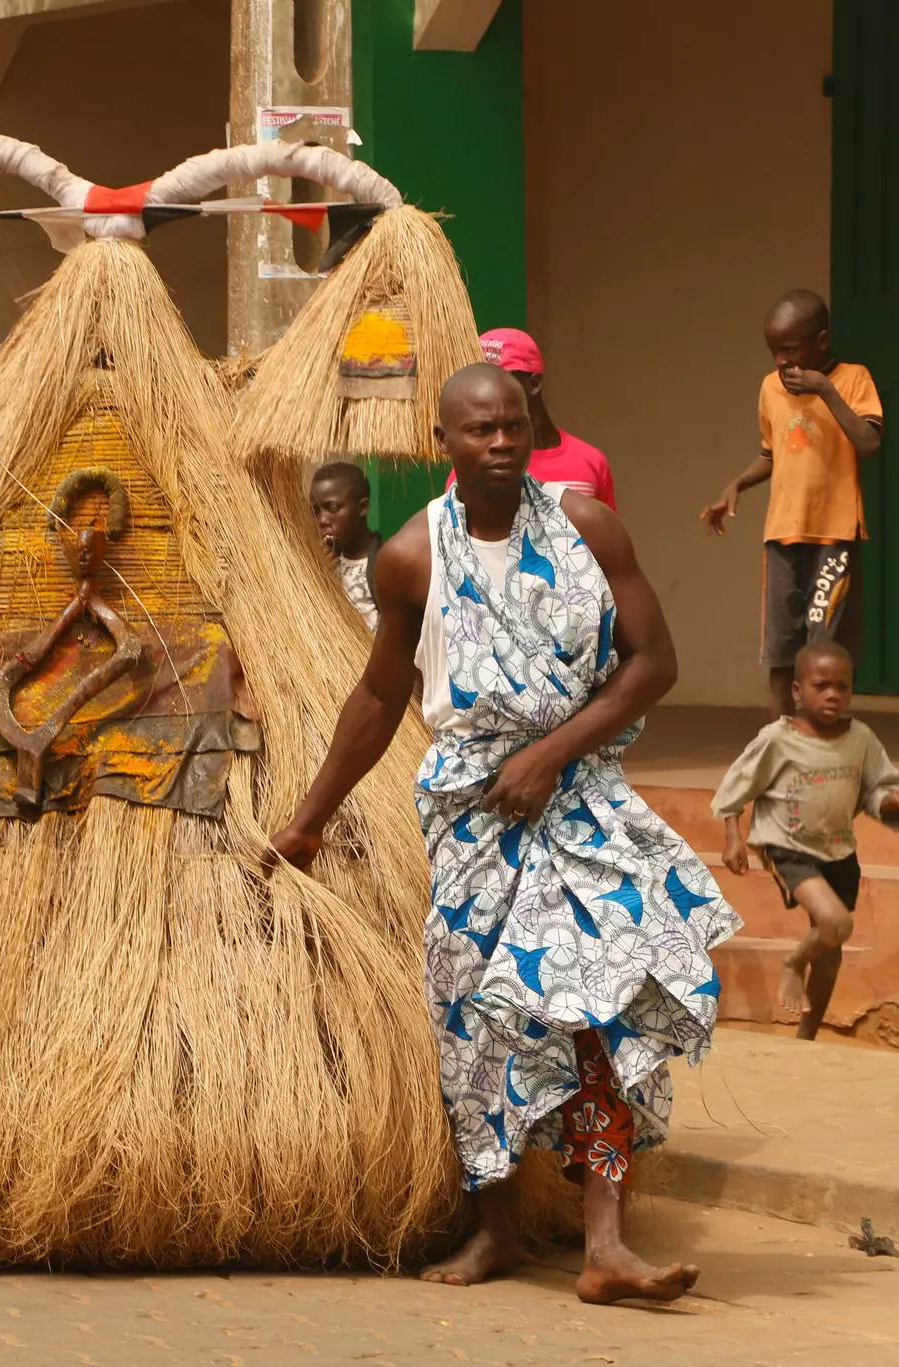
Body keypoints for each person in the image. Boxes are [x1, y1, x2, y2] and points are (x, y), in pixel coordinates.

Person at [270, 363, 737, 1304]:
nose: (500, 443)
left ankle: (606, 1244)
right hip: (473, 813)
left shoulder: (586, 525)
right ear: (443, 440)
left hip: (582, 798)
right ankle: (497, 1228)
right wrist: (309, 820)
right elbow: (380, 695)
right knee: (476, 1014)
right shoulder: (412, 556)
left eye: (513, 426)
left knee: (602, 1000)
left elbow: (654, 662)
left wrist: (552, 755)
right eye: (479, 429)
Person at [713, 641, 899, 1040]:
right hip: (787, 846)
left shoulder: (861, 738)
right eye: (821, 685)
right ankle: (793, 962)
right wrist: (733, 837)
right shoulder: (778, 738)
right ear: (797, 690)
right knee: (836, 922)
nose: (832, 695)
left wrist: (892, 801)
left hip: (838, 850)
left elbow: (876, 790)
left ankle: (806, 1036)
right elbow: (737, 785)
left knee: (830, 955)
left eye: (842, 686)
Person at [699, 290, 882, 717]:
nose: (781, 360)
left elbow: (869, 442)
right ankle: (782, 736)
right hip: (783, 534)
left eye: (791, 348)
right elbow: (772, 453)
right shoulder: (770, 387)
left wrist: (825, 391)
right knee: (781, 649)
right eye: (773, 350)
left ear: (821, 341)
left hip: (834, 534)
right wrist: (736, 485)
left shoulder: (853, 379)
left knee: (825, 647)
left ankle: (824, 738)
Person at [477, 327, 617, 507]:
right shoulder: (475, 468)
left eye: (501, 383)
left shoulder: (590, 462)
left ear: (534, 384)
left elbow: (605, 526)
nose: (487, 394)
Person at [310, 461, 384, 630]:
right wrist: (318, 575)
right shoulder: (324, 562)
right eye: (316, 511)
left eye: (333, 508)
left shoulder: (384, 564)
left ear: (362, 508)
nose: (322, 520)